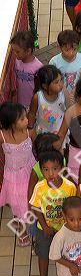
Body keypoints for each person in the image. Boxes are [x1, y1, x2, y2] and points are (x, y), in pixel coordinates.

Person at [29, 150, 76, 276]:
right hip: (44, 230)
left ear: (62, 168)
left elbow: (74, 208)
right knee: (43, 255)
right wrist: (45, 226)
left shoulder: (69, 187)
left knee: (64, 255)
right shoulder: (39, 187)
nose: (50, 173)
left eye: (55, 169)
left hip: (65, 231)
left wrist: (67, 229)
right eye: (46, 169)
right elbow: (35, 207)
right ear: (41, 170)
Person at [0, 102, 36, 247]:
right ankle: (21, 233)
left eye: (25, 117)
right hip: (13, 177)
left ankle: (33, 227)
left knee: (32, 201)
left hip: (30, 172)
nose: (26, 120)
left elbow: (37, 147)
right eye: (22, 119)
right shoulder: (2, 136)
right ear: (11, 123)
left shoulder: (30, 132)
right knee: (15, 206)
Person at [28, 65, 68, 134]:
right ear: (45, 86)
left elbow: (69, 109)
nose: (61, 84)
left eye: (61, 80)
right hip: (42, 133)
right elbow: (32, 113)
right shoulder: (38, 97)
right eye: (56, 82)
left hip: (59, 131)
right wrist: (30, 128)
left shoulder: (63, 93)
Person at [49, 29, 81, 100]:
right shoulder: (54, 62)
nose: (71, 53)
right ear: (60, 47)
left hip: (79, 95)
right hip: (60, 97)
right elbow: (52, 82)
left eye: (74, 49)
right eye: (67, 50)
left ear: (78, 46)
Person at [10, 31, 43, 109]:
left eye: (17, 51)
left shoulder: (38, 67)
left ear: (28, 51)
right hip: (19, 101)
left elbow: (41, 87)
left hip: (32, 103)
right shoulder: (16, 62)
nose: (15, 53)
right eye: (14, 51)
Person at [28, 132, 61, 202]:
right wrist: (32, 208)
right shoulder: (36, 169)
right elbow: (30, 191)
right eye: (58, 150)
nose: (62, 151)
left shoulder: (62, 161)